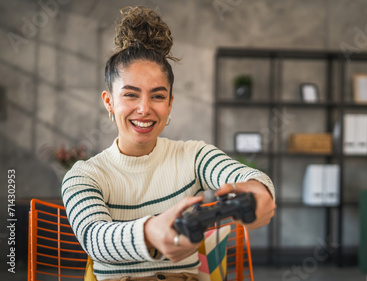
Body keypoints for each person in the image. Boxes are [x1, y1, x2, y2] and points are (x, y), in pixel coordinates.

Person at [61, 6, 275, 281]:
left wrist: (259, 191)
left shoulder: (195, 156)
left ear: (170, 103)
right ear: (109, 102)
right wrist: (151, 231)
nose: (144, 108)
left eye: (158, 96)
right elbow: (95, 239)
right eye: (130, 95)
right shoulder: (83, 175)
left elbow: (250, 177)